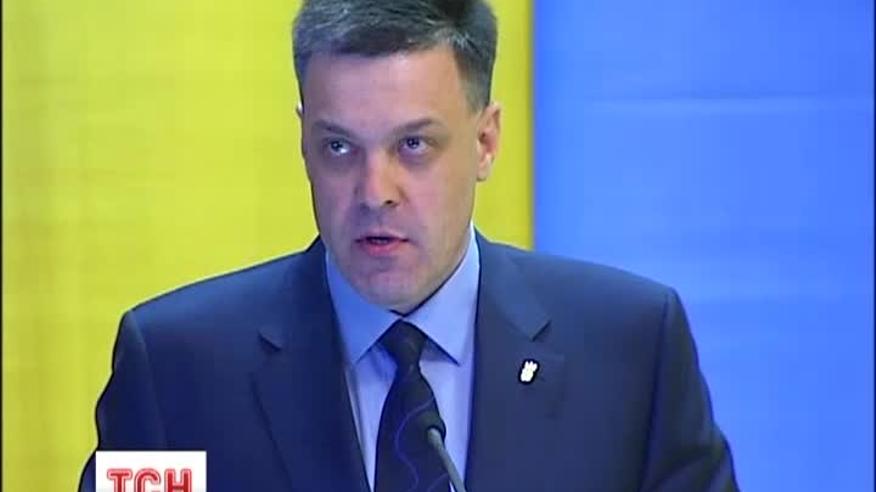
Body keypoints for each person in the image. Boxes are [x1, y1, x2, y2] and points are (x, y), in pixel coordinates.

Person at [79, 0, 739, 490]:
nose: (375, 192)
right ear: (304, 142)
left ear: (486, 141)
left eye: (413, 145)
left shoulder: (630, 351)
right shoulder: (177, 370)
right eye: (340, 147)